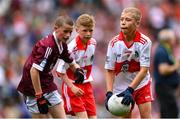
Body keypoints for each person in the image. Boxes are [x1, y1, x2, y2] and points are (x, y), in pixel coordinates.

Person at [17, 15, 85, 118]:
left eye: (70, 32)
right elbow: (34, 71)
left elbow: (71, 62)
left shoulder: (62, 45)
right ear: (56, 28)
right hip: (32, 89)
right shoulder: (47, 46)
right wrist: (39, 97)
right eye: (65, 31)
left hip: (47, 84)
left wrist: (78, 70)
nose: (68, 35)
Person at [104, 7, 153, 118]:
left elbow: (144, 70)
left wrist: (130, 89)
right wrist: (109, 93)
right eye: (122, 19)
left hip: (141, 84)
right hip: (121, 86)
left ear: (137, 23)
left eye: (128, 20)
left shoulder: (145, 42)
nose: (123, 22)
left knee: (146, 117)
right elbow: (109, 70)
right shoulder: (113, 43)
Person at [56, 14, 97, 119]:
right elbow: (60, 71)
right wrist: (72, 87)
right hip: (72, 85)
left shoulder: (93, 43)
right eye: (85, 30)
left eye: (90, 30)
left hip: (87, 85)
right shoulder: (71, 48)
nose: (88, 34)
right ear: (77, 30)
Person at [153, 29, 180, 118]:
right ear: (168, 39)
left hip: (167, 88)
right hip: (164, 87)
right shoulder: (162, 51)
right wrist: (176, 66)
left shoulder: (166, 50)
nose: (174, 40)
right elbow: (163, 70)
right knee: (170, 112)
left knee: (168, 111)